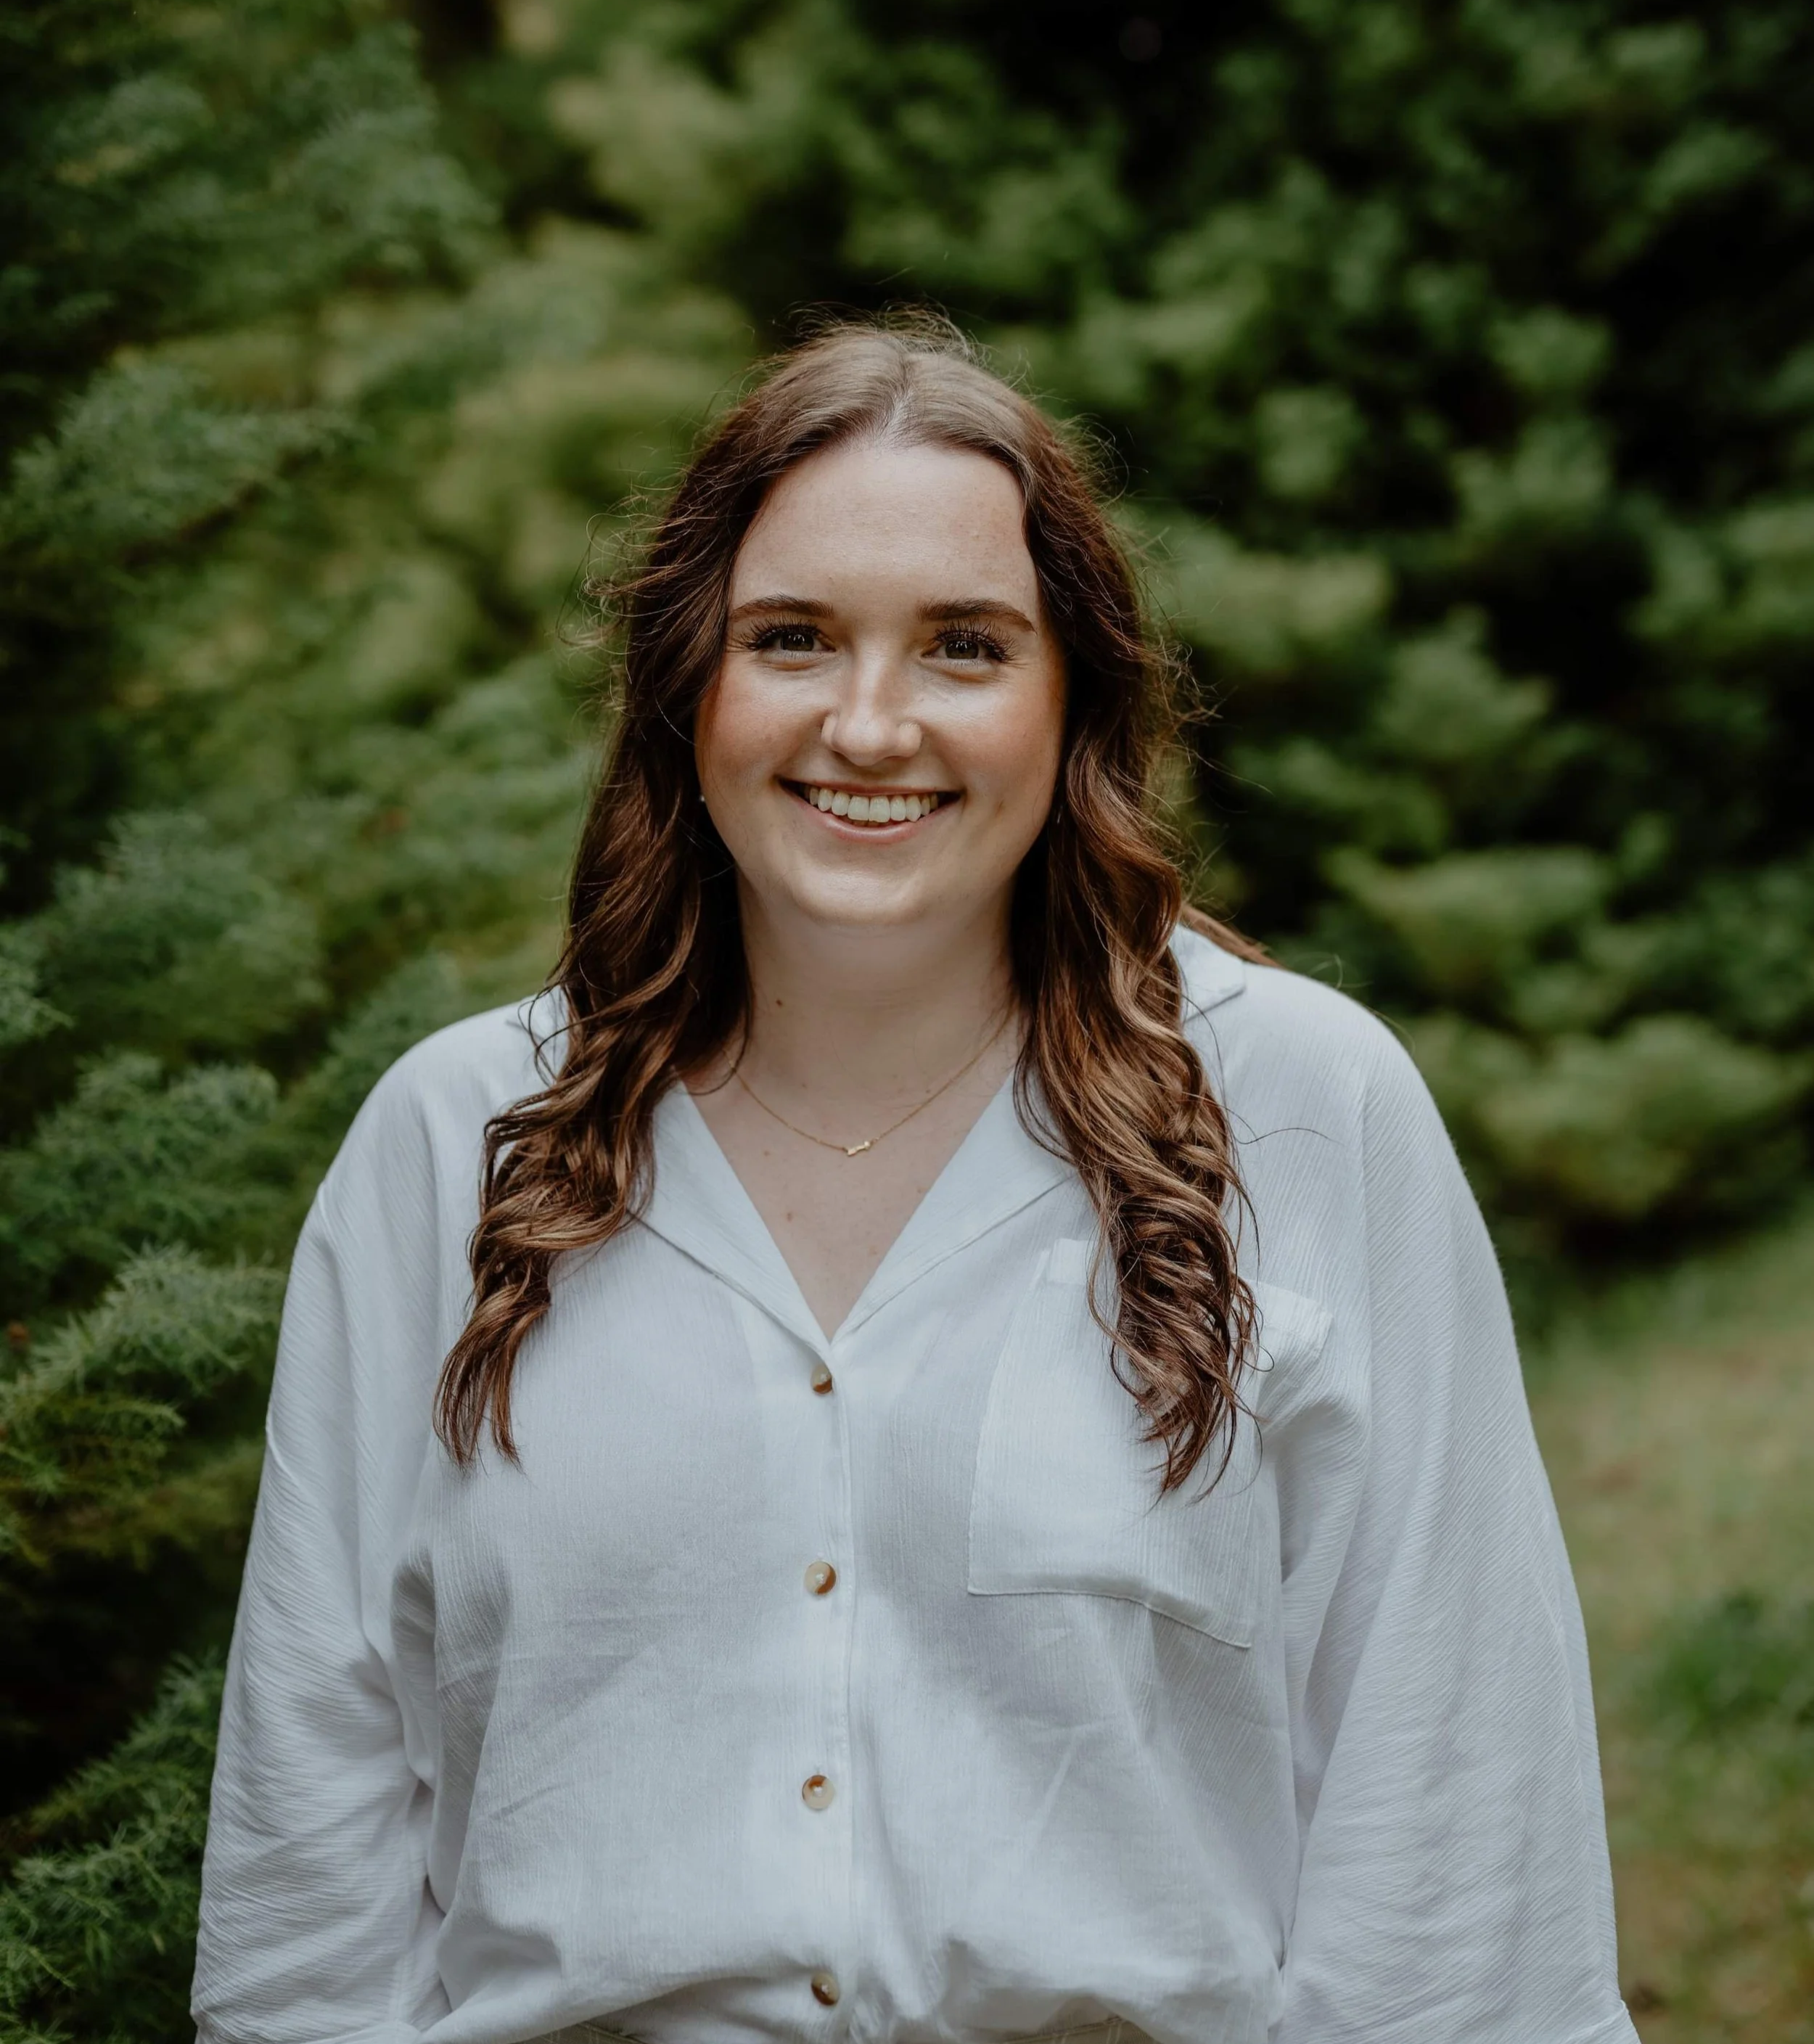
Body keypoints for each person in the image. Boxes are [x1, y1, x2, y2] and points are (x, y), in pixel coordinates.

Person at [192, 322, 1638, 2044]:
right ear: (689, 687)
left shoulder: (1307, 1115)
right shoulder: (451, 1147)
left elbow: (1451, 1811)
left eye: (963, 646)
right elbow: (317, 1838)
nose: (867, 725)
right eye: (790, 639)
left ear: (1070, 698)